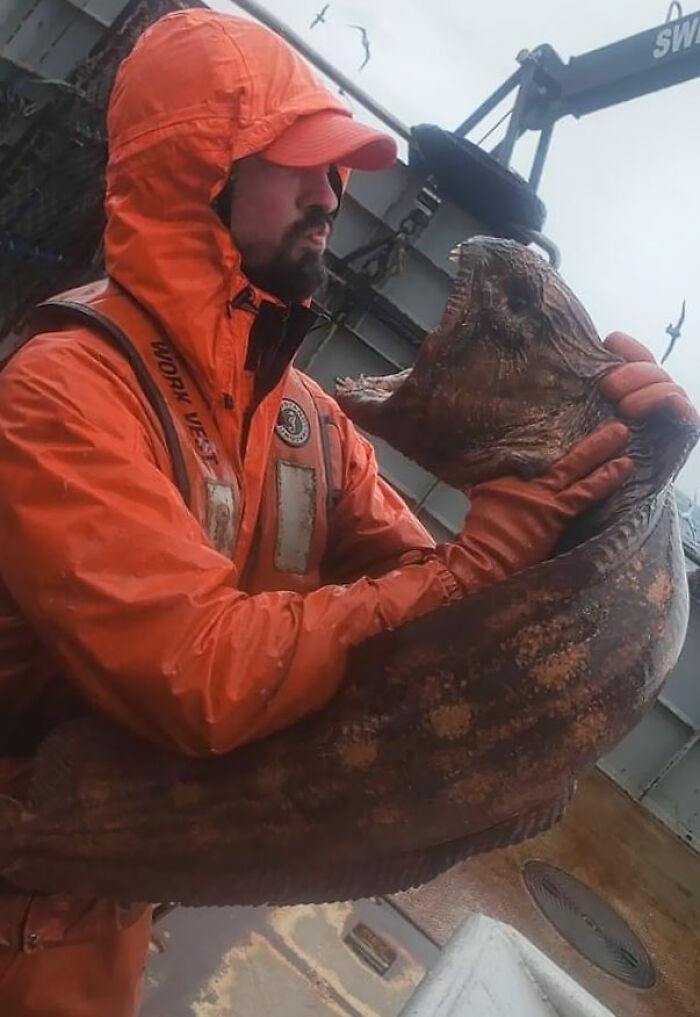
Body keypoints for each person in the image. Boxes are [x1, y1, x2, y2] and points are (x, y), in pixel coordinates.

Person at [0, 9, 695, 1016]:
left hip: (112, 894)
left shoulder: (300, 422)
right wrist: (458, 571)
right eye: (304, 164)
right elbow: (194, 677)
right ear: (202, 171)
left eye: (340, 167)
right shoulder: (63, 392)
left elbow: (439, 616)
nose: (336, 191)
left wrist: (614, 499)